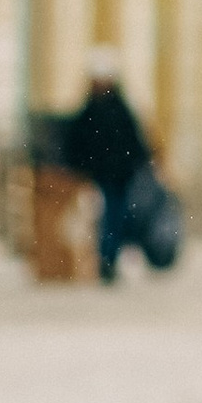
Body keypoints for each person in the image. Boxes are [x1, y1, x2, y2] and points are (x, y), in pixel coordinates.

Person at [63, 53, 152, 283]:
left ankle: (109, 257)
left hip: (119, 173)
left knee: (116, 215)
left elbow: (133, 140)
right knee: (108, 215)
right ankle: (107, 257)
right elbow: (78, 142)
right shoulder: (92, 110)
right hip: (103, 173)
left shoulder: (117, 108)